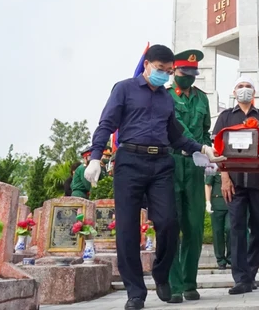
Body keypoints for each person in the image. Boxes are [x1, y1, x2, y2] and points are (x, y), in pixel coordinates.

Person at [83, 44, 223, 310]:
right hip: (130, 162)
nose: (165, 76)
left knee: (169, 222)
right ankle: (135, 292)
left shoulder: (166, 98)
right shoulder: (123, 89)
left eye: (169, 72)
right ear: (147, 64)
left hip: (161, 163)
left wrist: (203, 148)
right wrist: (95, 158)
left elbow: (176, 135)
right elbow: (106, 124)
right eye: (161, 70)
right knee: (127, 229)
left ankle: (161, 274)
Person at [213, 76, 259, 295]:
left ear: (254, 91)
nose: (244, 90)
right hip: (234, 181)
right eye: (240, 86)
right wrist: (224, 177)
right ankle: (241, 278)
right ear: (234, 92)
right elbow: (217, 152)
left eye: (248, 86)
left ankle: (251, 274)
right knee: (236, 228)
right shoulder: (225, 117)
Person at [167, 49, 212, 304]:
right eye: (185, 72)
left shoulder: (202, 99)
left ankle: (189, 282)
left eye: (194, 73)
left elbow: (205, 132)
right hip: (170, 163)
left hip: (195, 165)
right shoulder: (164, 97)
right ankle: (174, 285)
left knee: (194, 227)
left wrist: (207, 156)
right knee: (170, 225)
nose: (190, 77)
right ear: (174, 71)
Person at [205, 171, 230, 269]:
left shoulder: (231, 164)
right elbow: (208, 184)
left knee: (230, 228)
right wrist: (208, 202)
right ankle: (220, 259)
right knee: (217, 232)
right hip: (217, 204)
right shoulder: (214, 166)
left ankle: (231, 258)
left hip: (231, 202)